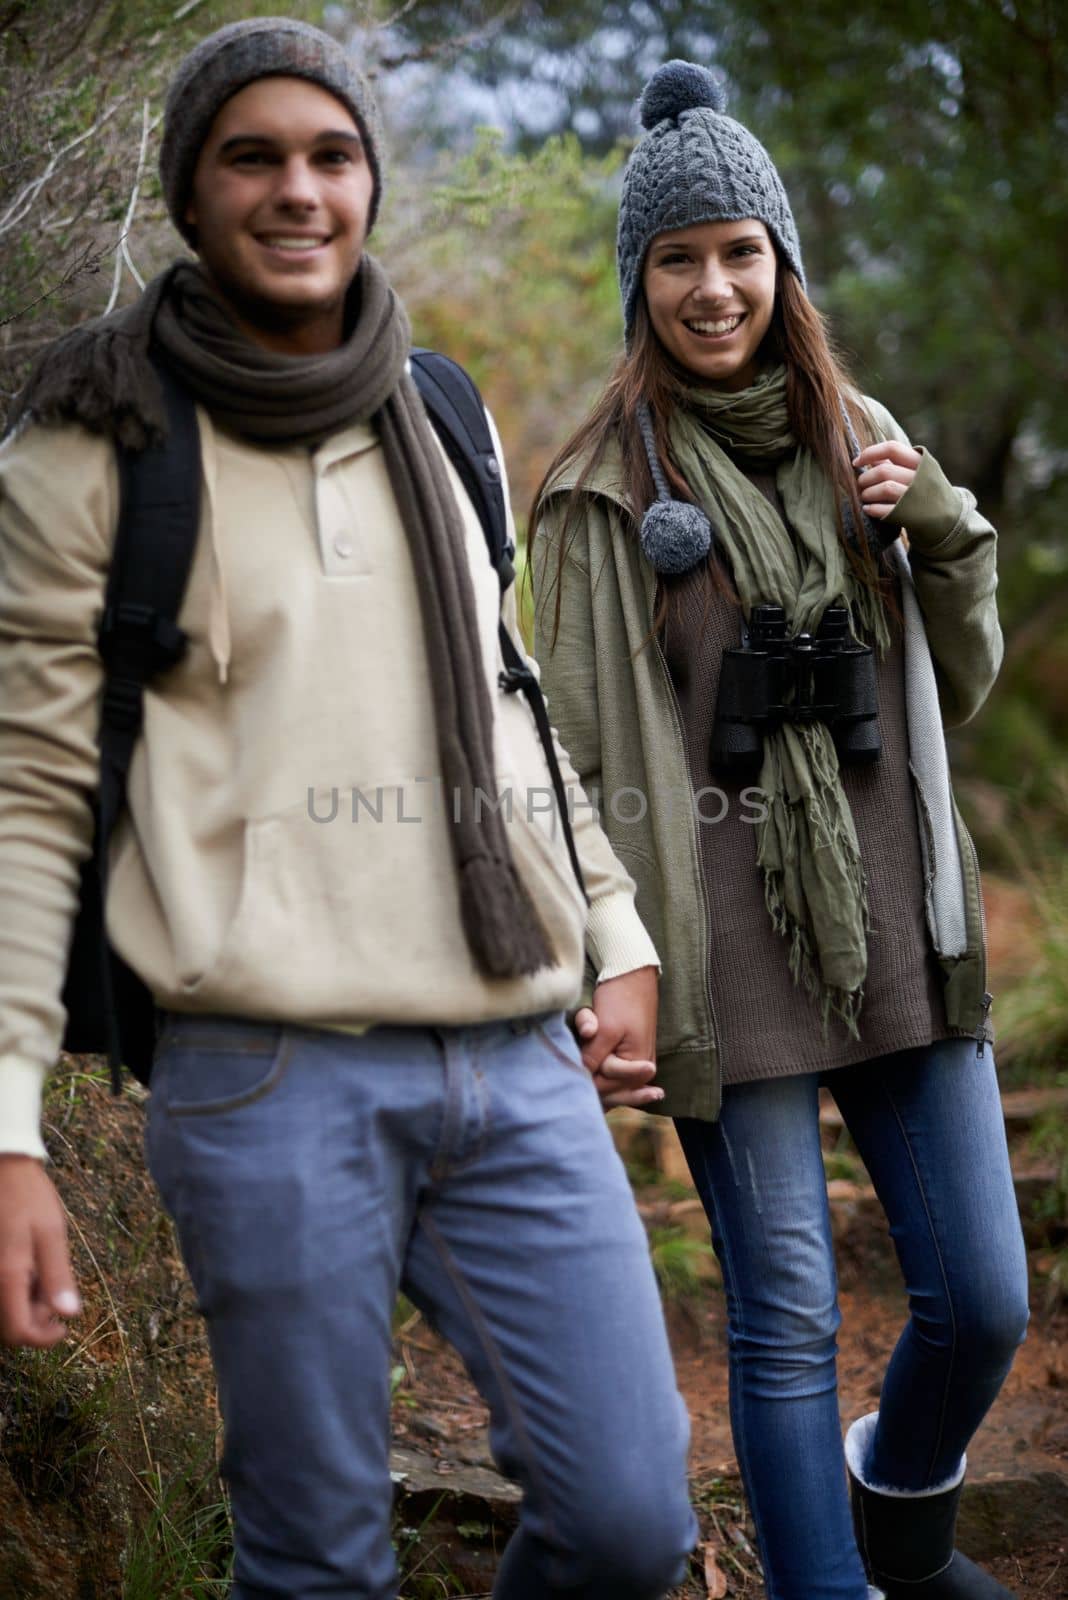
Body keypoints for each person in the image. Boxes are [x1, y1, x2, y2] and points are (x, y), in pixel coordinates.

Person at [0, 20, 699, 1598]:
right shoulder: (87, 438)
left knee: (630, 1519)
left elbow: (510, 702)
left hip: (516, 1059)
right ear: (190, 189)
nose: (298, 188)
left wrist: (614, 924)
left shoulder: (438, 411)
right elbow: (26, 804)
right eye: (253, 154)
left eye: (332, 154)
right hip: (264, 1077)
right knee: (314, 1560)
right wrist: (8, 1134)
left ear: (372, 181)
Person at [530, 58, 1029, 1600]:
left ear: (783, 262)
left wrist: (935, 529)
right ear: (642, 281)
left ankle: (899, 1504)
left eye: (739, 250)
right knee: (788, 1315)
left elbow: (963, 684)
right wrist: (608, 962)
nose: (712, 284)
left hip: (892, 932)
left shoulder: (863, 437)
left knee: (983, 1299)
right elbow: (566, 754)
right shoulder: (604, 492)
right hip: (721, 965)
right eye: (677, 257)